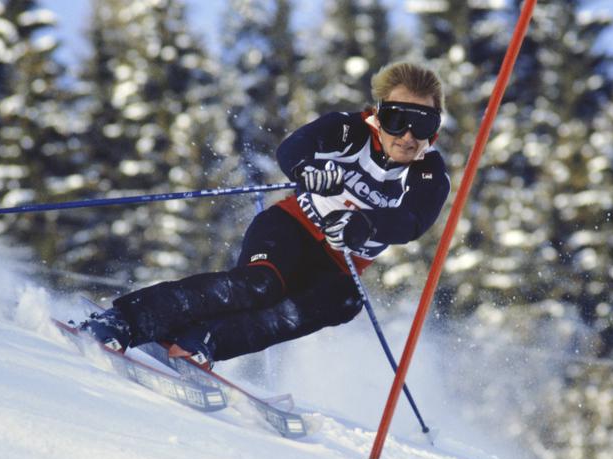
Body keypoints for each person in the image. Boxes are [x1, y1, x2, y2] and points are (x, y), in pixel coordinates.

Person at [79, 61, 451, 367]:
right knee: (260, 285)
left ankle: (202, 340)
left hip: (338, 262)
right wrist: (307, 170)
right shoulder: (348, 130)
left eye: (424, 124)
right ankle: (124, 320)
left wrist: (364, 224)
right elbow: (295, 148)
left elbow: (411, 222)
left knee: (346, 300)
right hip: (292, 227)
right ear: (378, 115)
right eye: (398, 119)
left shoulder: (428, 174)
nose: (408, 136)